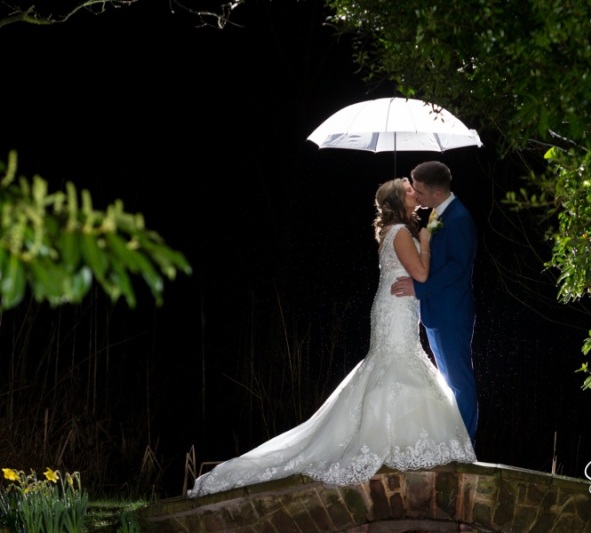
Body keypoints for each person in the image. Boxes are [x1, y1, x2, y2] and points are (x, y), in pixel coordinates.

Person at [187, 177, 476, 497]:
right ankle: (389, 442)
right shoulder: (402, 233)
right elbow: (422, 273)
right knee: (398, 365)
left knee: (397, 365)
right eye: (409, 188)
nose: (415, 190)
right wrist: (426, 236)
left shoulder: (395, 232)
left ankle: (398, 441)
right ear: (397, 199)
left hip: (398, 307)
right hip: (395, 310)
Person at [390, 161, 478, 443]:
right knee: (449, 383)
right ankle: (454, 442)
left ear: (436, 193)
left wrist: (418, 287)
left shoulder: (460, 219)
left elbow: (457, 269)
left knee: (459, 384)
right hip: (437, 312)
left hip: (450, 314)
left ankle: (465, 443)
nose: (415, 194)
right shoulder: (439, 214)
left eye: (419, 190)